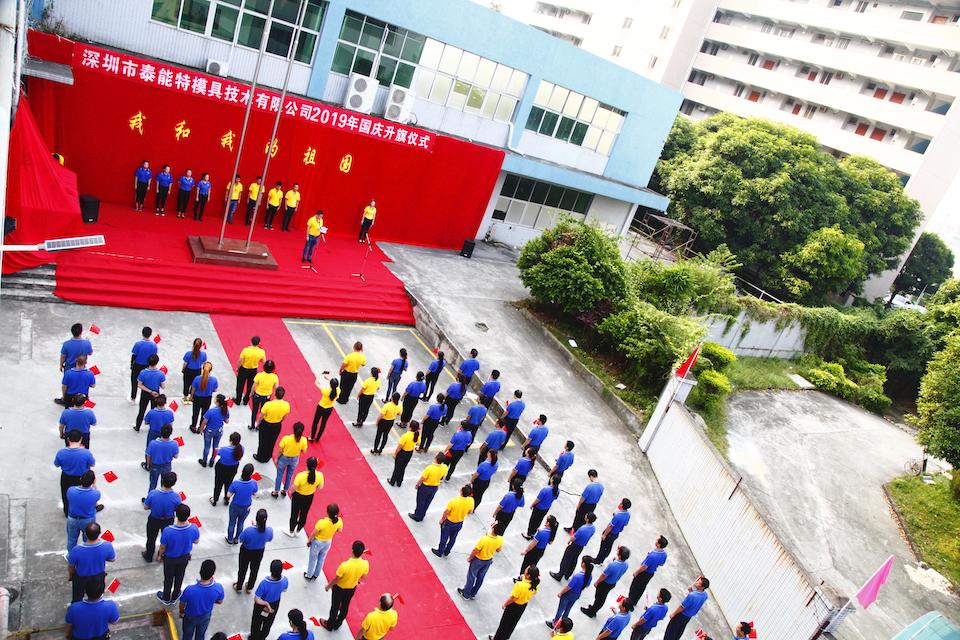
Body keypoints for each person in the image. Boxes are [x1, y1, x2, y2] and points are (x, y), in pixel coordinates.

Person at [319, 540, 369, 631]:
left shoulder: (344, 566)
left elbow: (337, 579)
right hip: (351, 589)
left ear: (352, 550)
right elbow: (364, 577)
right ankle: (338, 624)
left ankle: (330, 625)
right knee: (345, 607)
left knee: (335, 607)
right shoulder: (365, 564)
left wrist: (329, 586)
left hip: (339, 589)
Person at [157, 504, 201, 605]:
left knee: (168, 578)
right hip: (184, 557)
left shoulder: (168, 530)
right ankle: (175, 595)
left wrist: (160, 555)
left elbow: (163, 547)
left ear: (176, 515)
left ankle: (166, 597)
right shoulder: (193, 528)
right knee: (180, 576)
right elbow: (196, 541)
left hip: (170, 559)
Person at [67, 522, 115, 603]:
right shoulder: (107, 546)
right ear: (99, 533)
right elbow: (112, 559)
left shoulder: (76, 550)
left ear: (85, 534)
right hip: (98, 577)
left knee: (77, 598)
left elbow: (71, 566)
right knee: (96, 598)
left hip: (81, 578)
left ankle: (75, 608)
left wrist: (71, 576)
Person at [490, 566, 539, 640]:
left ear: (528, 575)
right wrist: (523, 578)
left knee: (504, 624)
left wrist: (505, 604)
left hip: (514, 606)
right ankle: (506, 637)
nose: (525, 570)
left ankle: (497, 638)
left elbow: (513, 598)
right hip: (523, 605)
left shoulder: (520, 585)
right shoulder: (535, 583)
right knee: (512, 623)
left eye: (526, 569)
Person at [179, 559, 224, 640]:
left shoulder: (189, 589)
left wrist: (181, 612)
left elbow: (182, 604)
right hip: (205, 616)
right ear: (212, 574)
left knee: (187, 635)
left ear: (200, 572)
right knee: (201, 634)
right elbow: (220, 601)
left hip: (190, 616)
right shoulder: (218, 587)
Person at [143, 471, 181, 562]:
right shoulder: (176, 497)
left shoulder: (153, 493)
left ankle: (149, 555)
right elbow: (177, 509)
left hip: (154, 519)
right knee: (166, 539)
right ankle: (162, 555)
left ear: (163, 480)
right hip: (168, 520)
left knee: (151, 538)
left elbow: (146, 507)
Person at [582, 546, 631, 618]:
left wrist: (597, 582)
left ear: (619, 555)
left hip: (605, 584)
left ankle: (592, 612)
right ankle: (594, 608)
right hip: (613, 583)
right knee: (601, 597)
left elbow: (604, 575)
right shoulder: (626, 565)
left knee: (599, 598)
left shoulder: (613, 565)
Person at [547, 556, 595, 628]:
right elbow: (587, 585)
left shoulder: (577, 576)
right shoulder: (589, 576)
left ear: (583, 564)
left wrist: (561, 593)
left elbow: (568, 587)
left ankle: (555, 624)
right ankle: (563, 624)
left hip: (569, 594)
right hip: (577, 594)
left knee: (560, 609)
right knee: (568, 609)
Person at [56, 431, 96, 516]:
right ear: (81, 439)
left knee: (66, 495)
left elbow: (57, 464)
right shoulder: (86, 453)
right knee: (82, 495)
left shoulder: (61, 452)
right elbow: (92, 464)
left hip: (66, 477)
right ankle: (81, 512)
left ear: (68, 439)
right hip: (81, 477)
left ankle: (67, 512)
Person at [458, 526, 504, 600]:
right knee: (480, 577)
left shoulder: (484, 539)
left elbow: (476, 550)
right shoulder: (500, 539)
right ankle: (473, 593)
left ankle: (466, 594)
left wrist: (470, 558)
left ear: (493, 529)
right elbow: (498, 550)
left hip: (478, 560)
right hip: (488, 560)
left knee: (471, 576)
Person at [551, 512, 597, 581]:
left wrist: (569, 541)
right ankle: (568, 574)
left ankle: (559, 575)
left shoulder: (582, 529)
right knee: (574, 560)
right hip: (581, 546)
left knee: (566, 559)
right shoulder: (593, 528)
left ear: (587, 519)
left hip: (575, 545)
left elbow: (574, 537)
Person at [236, 509, 273, 592]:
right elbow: (269, 539)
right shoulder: (269, 530)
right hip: (259, 552)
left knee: (242, 569)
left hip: (246, 551)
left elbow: (241, 539)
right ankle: (249, 587)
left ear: (256, 519)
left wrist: (253, 527)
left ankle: (239, 586)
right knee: (254, 570)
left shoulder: (248, 530)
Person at [432, 484, 474, 557]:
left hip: (449, 522)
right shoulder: (471, 501)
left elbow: (446, 512)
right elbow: (470, 511)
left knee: (444, 537)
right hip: (459, 522)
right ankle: (447, 551)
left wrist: (442, 520)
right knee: (453, 538)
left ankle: (440, 552)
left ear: (461, 491)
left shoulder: (454, 501)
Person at [251, 560, 289, 640]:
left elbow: (257, 599)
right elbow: (285, 590)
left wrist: (266, 604)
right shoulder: (285, 580)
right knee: (268, 623)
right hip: (274, 604)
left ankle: (254, 637)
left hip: (261, 605)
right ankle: (262, 637)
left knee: (256, 622)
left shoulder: (264, 583)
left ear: (271, 570)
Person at [305, 503, 343, 581]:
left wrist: (309, 540)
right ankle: (316, 574)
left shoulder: (322, 522)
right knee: (321, 559)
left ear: (327, 512)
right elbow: (339, 530)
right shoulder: (339, 521)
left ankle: (309, 575)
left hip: (318, 542)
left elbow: (314, 533)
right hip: (328, 541)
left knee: (313, 559)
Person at [66, 471, 101, 553]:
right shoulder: (96, 493)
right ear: (92, 481)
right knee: (88, 540)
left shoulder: (71, 490)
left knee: (71, 540)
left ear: (81, 479)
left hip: (72, 519)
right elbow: (96, 499)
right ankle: (86, 555)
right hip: (87, 520)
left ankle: (71, 557)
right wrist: (94, 484)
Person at [289, 457, 324, 536]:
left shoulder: (300, 475)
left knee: (294, 514)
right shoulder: (320, 475)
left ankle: (291, 530)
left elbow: (294, 487)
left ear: (307, 465)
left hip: (298, 497)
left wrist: (290, 493)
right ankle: (298, 530)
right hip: (309, 497)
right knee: (304, 514)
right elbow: (320, 487)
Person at [628, 536, 668, 605]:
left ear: (659, 544)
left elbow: (645, 567)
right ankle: (634, 601)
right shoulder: (664, 554)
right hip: (651, 573)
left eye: (657, 540)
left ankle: (629, 602)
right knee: (641, 588)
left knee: (634, 587)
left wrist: (636, 572)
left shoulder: (652, 555)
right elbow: (661, 564)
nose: (655, 541)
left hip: (644, 573)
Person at [408, 452, 448, 522]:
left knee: (420, 502)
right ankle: (422, 515)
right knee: (427, 502)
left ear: (436, 458)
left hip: (425, 487)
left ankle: (417, 516)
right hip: (435, 487)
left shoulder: (430, 468)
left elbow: (423, 478)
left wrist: (417, 484)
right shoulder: (444, 467)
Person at [226, 463, 258, 543]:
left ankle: (230, 539)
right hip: (246, 507)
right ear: (251, 474)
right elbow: (255, 494)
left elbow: (228, 495)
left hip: (235, 506)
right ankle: (237, 539)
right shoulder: (254, 483)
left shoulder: (236, 483)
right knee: (241, 523)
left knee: (232, 522)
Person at [254, 387, 289, 462]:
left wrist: (257, 423)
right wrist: (279, 421)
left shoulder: (268, 404)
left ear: (275, 394)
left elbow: (261, 416)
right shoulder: (286, 405)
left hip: (266, 424)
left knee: (263, 441)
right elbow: (285, 417)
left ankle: (260, 457)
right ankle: (268, 456)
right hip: (277, 425)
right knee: (272, 441)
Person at [274, 422, 308, 497]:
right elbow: (304, 451)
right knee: (289, 475)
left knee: (280, 474)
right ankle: (285, 490)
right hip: (295, 459)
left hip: (284, 458)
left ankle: (276, 491)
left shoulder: (286, 438)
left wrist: (276, 458)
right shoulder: (304, 440)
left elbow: (280, 450)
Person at [142, 394, 175, 468]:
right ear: (165, 402)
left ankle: (148, 464)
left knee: (149, 448)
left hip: (153, 431)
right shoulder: (169, 413)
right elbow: (170, 424)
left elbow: (146, 422)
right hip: (165, 433)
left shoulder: (151, 412)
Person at [145, 424, 180, 495]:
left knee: (152, 485)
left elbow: (148, 455)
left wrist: (148, 465)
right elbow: (176, 456)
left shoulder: (153, 443)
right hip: (167, 466)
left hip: (155, 466)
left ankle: (150, 498)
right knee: (165, 485)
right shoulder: (174, 443)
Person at [135, 354, 166, 432]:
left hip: (145, 393)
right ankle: (152, 427)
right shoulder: (160, 373)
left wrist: (149, 391)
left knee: (141, 410)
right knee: (154, 411)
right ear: (157, 362)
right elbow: (163, 386)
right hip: (156, 394)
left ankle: (137, 426)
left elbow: (139, 385)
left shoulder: (143, 372)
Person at [524, 475, 561, 539]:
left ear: (552, 480)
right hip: (546, 508)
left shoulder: (545, 489)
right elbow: (555, 498)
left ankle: (529, 534)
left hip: (539, 508)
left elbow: (538, 499)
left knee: (533, 521)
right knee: (539, 521)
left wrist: (532, 504)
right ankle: (533, 533)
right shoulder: (557, 491)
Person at [595, 500, 632, 564]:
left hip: (610, 533)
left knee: (603, 547)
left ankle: (598, 561)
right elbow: (626, 524)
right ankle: (603, 559)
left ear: (622, 505)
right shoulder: (628, 515)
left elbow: (610, 526)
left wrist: (604, 535)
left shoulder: (618, 515)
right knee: (609, 547)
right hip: (616, 534)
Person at [211, 432, 243, 505]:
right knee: (228, 484)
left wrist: (213, 457)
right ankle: (226, 499)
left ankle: (215, 499)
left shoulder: (224, 449)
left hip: (222, 468)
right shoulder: (241, 449)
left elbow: (216, 452)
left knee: (218, 484)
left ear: (231, 441)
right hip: (233, 468)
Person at [198, 395, 229, 468]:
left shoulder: (211, 411)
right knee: (216, 447)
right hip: (219, 431)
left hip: (209, 431)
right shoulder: (225, 410)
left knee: (207, 447)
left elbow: (204, 421)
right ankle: (212, 460)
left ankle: (204, 461)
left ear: (218, 402)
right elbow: (226, 421)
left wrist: (201, 429)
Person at [130, 326, 158, 402]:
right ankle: (144, 398)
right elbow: (154, 357)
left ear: (142, 333)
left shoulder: (138, 344)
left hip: (137, 366)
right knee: (145, 383)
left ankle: (133, 398)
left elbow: (134, 356)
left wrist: (131, 365)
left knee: (134, 382)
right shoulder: (154, 345)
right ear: (150, 334)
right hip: (148, 366)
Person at [235, 336, 265, 406]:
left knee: (240, 385)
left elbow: (240, 360)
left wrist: (237, 368)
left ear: (251, 342)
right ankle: (246, 400)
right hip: (253, 371)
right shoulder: (261, 351)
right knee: (250, 386)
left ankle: (238, 400)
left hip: (244, 369)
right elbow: (263, 361)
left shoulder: (245, 350)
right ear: (259, 343)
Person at [189, 362, 218, 433]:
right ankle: (200, 427)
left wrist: (191, 396)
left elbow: (193, 389)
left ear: (202, 369)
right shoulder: (214, 379)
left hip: (197, 398)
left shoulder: (197, 378)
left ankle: (193, 426)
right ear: (211, 370)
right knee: (204, 414)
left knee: (195, 413)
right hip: (207, 398)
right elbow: (215, 390)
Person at [388, 422, 419, 486]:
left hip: (402, 453)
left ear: (410, 427)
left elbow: (400, 447)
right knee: (403, 468)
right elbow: (418, 443)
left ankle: (392, 481)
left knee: (397, 468)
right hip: (409, 453)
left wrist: (395, 453)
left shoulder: (405, 436)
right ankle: (399, 482)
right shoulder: (417, 435)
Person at [250, 360, 279, 430]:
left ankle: (252, 425)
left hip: (257, 396)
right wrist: (275, 397)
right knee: (263, 412)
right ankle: (259, 426)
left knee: (254, 411)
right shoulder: (275, 377)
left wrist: (251, 393)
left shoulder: (259, 375)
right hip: (266, 397)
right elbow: (276, 388)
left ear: (264, 367)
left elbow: (254, 386)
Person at [311, 375, 338, 442]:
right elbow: (335, 386)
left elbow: (316, 383)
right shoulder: (338, 390)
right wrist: (329, 379)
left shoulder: (326, 391)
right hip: (329, 409)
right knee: (323, 423)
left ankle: (312, 437)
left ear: (330, 385)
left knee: (315, 422)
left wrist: (320, 376)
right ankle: (318, 438)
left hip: (321, 408)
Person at [182, 338, 207, 402]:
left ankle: (185, 397)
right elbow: (204, 364)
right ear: (201, 346)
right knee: (194, 384)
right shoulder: (203, 354)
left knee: (186, 384)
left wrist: (183, 369)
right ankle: (191, 396)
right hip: (197, 371)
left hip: (188, 370)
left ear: (193, 344)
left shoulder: (188, 354)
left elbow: (185, 363)